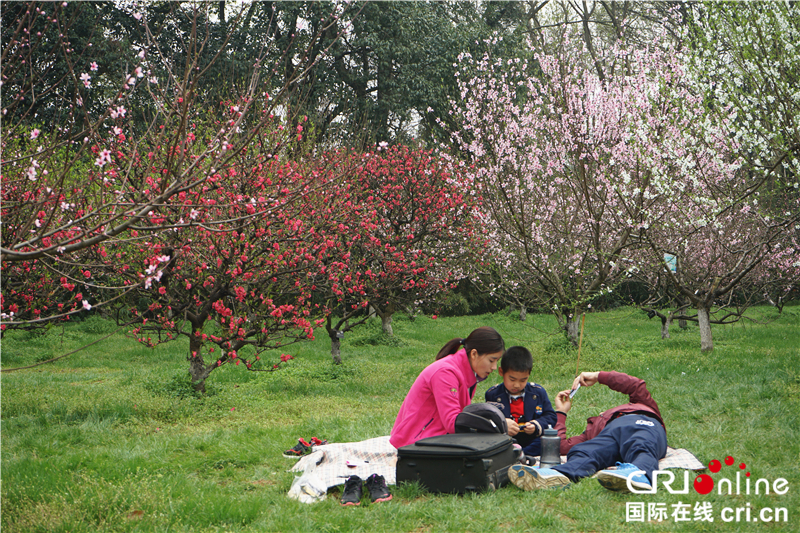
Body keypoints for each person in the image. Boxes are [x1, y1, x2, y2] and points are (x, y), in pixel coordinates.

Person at [509, 371, 667, 493]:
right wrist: (561, 413)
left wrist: (598, 376)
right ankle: (557, 474)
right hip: (607, 435)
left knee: (640, 443)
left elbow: (635, 385)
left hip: (642, 423)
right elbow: (562, 447)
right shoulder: (592, 431)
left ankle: (638, 474)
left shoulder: (642, 404)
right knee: (584, 451)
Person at [390, 326, 505, 449]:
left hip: (436, 439)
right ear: (474, 354)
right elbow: (453, 423)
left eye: (497, 361)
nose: (494, 367)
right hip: (414, 443)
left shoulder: (467, 373)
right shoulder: (445, 373)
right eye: (492, 360)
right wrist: (493, 425)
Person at [484, 346, 556, 457]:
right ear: (501, 372)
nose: (517, 385)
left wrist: (536, 425)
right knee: (490, 444)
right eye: (512, 379)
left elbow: (551, 416)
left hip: (531, 440)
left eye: (523, 380)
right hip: (506, 440)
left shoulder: (538, 392)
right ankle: (515, 454)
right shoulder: (493, 394)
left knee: (546, 442)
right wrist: (503, 425)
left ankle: (521, 455)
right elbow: (488, 420)